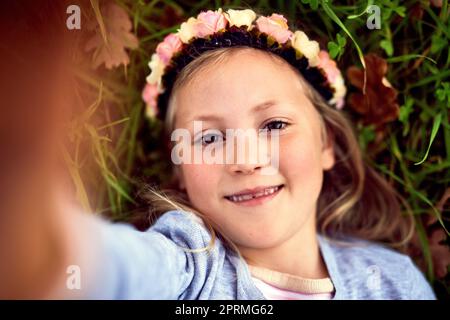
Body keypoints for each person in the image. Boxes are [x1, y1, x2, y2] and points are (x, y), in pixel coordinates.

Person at [1, 7, 436, 300]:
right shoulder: (192, 267)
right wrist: (47, 247)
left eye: (274, 125)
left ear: (327, 144)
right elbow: (121, 269)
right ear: (182, 175)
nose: (245, 160)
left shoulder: (391, 281)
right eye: (209, 139)